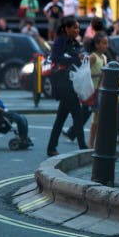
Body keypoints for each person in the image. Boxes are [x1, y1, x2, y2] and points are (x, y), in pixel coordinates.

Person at [46, 16, 88, 156]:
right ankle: (83, 147)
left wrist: (80, 58)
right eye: (74, 27)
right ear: (66, 28)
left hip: (70, 81)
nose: (77, 30)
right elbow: (55, 58)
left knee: (61, 117)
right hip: (63, 81)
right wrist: (75, 59)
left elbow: (76, 59)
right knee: (77, 114)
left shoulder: (73, 41)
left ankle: (51, 147)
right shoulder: (60, 40)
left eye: (78, 27)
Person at [0, 82, 32, 148]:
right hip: (3, 114)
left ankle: (24, 136)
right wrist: (5, 111)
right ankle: (22, 136)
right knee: (19, 119)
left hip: (6, 112)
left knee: (23, 118)